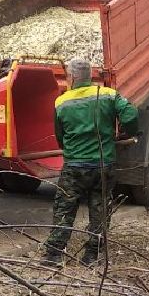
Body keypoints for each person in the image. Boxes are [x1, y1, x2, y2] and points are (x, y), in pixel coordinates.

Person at [42, 58, 140, 267]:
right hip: (103, 165)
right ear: (90, 76)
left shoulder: (62, 102)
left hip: (75, 167)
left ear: (72, 77)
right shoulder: (107, 95)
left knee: (65, 209)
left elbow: (60, 137)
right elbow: (130, 113)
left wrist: (71, 148)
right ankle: (92, 257)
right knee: (100, 210)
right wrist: (126, 132)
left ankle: (54, 256)